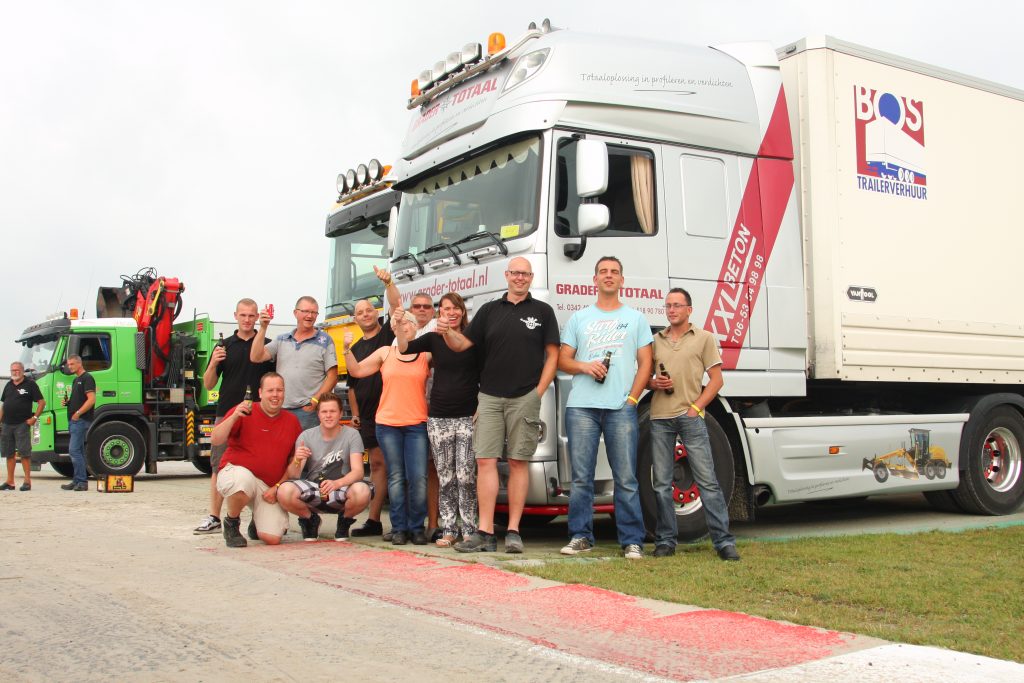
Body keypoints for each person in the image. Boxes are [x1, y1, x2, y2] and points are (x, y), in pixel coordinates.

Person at [435, 257, 559, 554]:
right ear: (507, 276)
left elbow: (552, 355)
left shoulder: (543, 312)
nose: (519, 278)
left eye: (524, 274)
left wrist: (537, 393)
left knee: (518, 462)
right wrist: (447, 331)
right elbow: (462, 344)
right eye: (514, 273)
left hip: (524, 398)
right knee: (485, 461)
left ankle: (514, 531)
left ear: (531, 277)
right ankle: (485, 532)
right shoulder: (489, 310)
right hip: (489, 397)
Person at [558, 257, 652, 559]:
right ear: (594, 280)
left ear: (622, 280)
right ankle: (581, 536)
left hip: (620, 407)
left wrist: (633, 399)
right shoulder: (579, 318)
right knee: (582, 477)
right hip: (582, 406)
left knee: (625, 477)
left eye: (614, 272)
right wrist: (585, 367)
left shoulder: (636, 318)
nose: (608, 276)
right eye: (603, 272)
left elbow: (645, 363)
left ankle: (632, 540)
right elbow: (563, 360)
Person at [648, 288, 739, 561]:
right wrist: (654, 383)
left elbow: (717, 380)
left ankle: (723, 542)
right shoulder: (655, 341)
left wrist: (697, 408)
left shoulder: (704, 339)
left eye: (678, 305)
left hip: (690, 418)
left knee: (708, 482)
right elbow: (644, 378)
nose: (672, 310)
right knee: (662, 484)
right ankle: (665, 541)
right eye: (668, 306)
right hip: (659, 418)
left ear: (689, 310)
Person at [399, 292, 480, 547]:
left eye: (456, 308)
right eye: (446, 309)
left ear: (462, 311)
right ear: (440, 314)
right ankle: (448, 529)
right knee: (445, 476)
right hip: (439, 417)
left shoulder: (473, 337)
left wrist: (482, 407)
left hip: (468, 415)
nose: (451, 312)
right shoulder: (433, 339)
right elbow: (404, 348)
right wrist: (401, 325)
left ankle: (469, 529)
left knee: (466, 475)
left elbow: (487, 371)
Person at [343, 313, 430, 545]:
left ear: (414, 326)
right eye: (396, 325)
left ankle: (417, 527)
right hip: (388, 423)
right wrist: (346, 349)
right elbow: (357, 371)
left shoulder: (425, 353)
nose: (401, 328)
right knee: (396, 476)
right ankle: (399, 528)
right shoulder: (385, 353)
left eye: (404, 324)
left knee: (418, 477)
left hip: (416, 423)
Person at [194, 299, 276, 535]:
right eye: (243, 315)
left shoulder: (267, 347)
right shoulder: (224, 347)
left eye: (252, 316)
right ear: (235, 316)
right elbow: (209, 385)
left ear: (257, 318)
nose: (248, 320)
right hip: (227, 414)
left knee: (259, 467)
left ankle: (256, 518)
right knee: (219, 465)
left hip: (258, 417)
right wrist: (213, 363)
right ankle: (213, 517)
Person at [212, 372, 304, 548]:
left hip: (268, 487)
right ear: (260, 392)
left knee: (272, 538)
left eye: (279, 390)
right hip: (237, 473)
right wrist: (233, 417)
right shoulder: (245, 410)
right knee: (242, 480)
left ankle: (257, 520)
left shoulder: (292, 421)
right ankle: (232, 522)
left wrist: (278, 487)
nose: (275, 395)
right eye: (270, 390)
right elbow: (216, 439)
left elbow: (294, 463)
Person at [276, 392, 373, 541]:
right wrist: (297, 459)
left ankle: (345, 520)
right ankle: (310, 519)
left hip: (341, 488)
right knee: (284, 491)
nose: (328, 415)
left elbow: (358, 472)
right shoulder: (306, 436)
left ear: (340, 413)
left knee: (362, 491)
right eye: (324, 412)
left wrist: (337, 483)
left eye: (333, 411)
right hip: (314, 489)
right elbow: (294, 475)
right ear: (318, 414)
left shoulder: (351, 435)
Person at [250, 296, 338, 430]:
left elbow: (333, 376)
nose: (309, 316)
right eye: (305, 311)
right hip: (281, 410)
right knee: (283, 450)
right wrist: (263, 327)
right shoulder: (282, 339)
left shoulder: (325, 340)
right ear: (295, 313)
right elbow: (256, 357)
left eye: (314, 312)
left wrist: (315, 401)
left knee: (306, 450)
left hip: (308, 412)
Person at [1, 362, 45, 491]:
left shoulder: (30, 384)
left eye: (17, 370)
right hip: (7, 424)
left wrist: (34, 418)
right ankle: (10, 482)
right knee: (9, 454)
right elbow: (4, 405)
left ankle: (27, 481)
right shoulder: (8, 385)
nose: (15, 372)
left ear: (22, 371)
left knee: (24, 453)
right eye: (12, 370)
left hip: (22, 424)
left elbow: (42, 402)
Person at [61, 355, 95, 491]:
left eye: (72, 364)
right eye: (69, 365)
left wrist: (78, 413)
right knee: (78, 451)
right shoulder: (76, 380)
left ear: (80, 364)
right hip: (74, 421)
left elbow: (91, 399)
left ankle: (82, 482)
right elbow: (80, 398)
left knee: (74, 450)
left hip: (80, 420)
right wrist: (68, 403)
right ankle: (77, 480)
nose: (70, 367)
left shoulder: (87, 378)